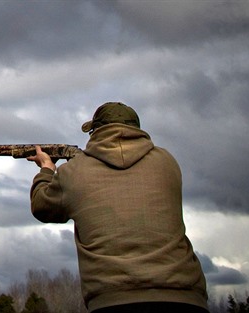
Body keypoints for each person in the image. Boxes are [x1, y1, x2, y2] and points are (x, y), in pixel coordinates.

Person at [26, 102, 209, 313]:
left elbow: (41, 206)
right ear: (137, 129)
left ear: (95, 132)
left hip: (113, 300)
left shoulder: (73, 172)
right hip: (185, 298)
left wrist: (47, 170)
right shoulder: (167, 162)